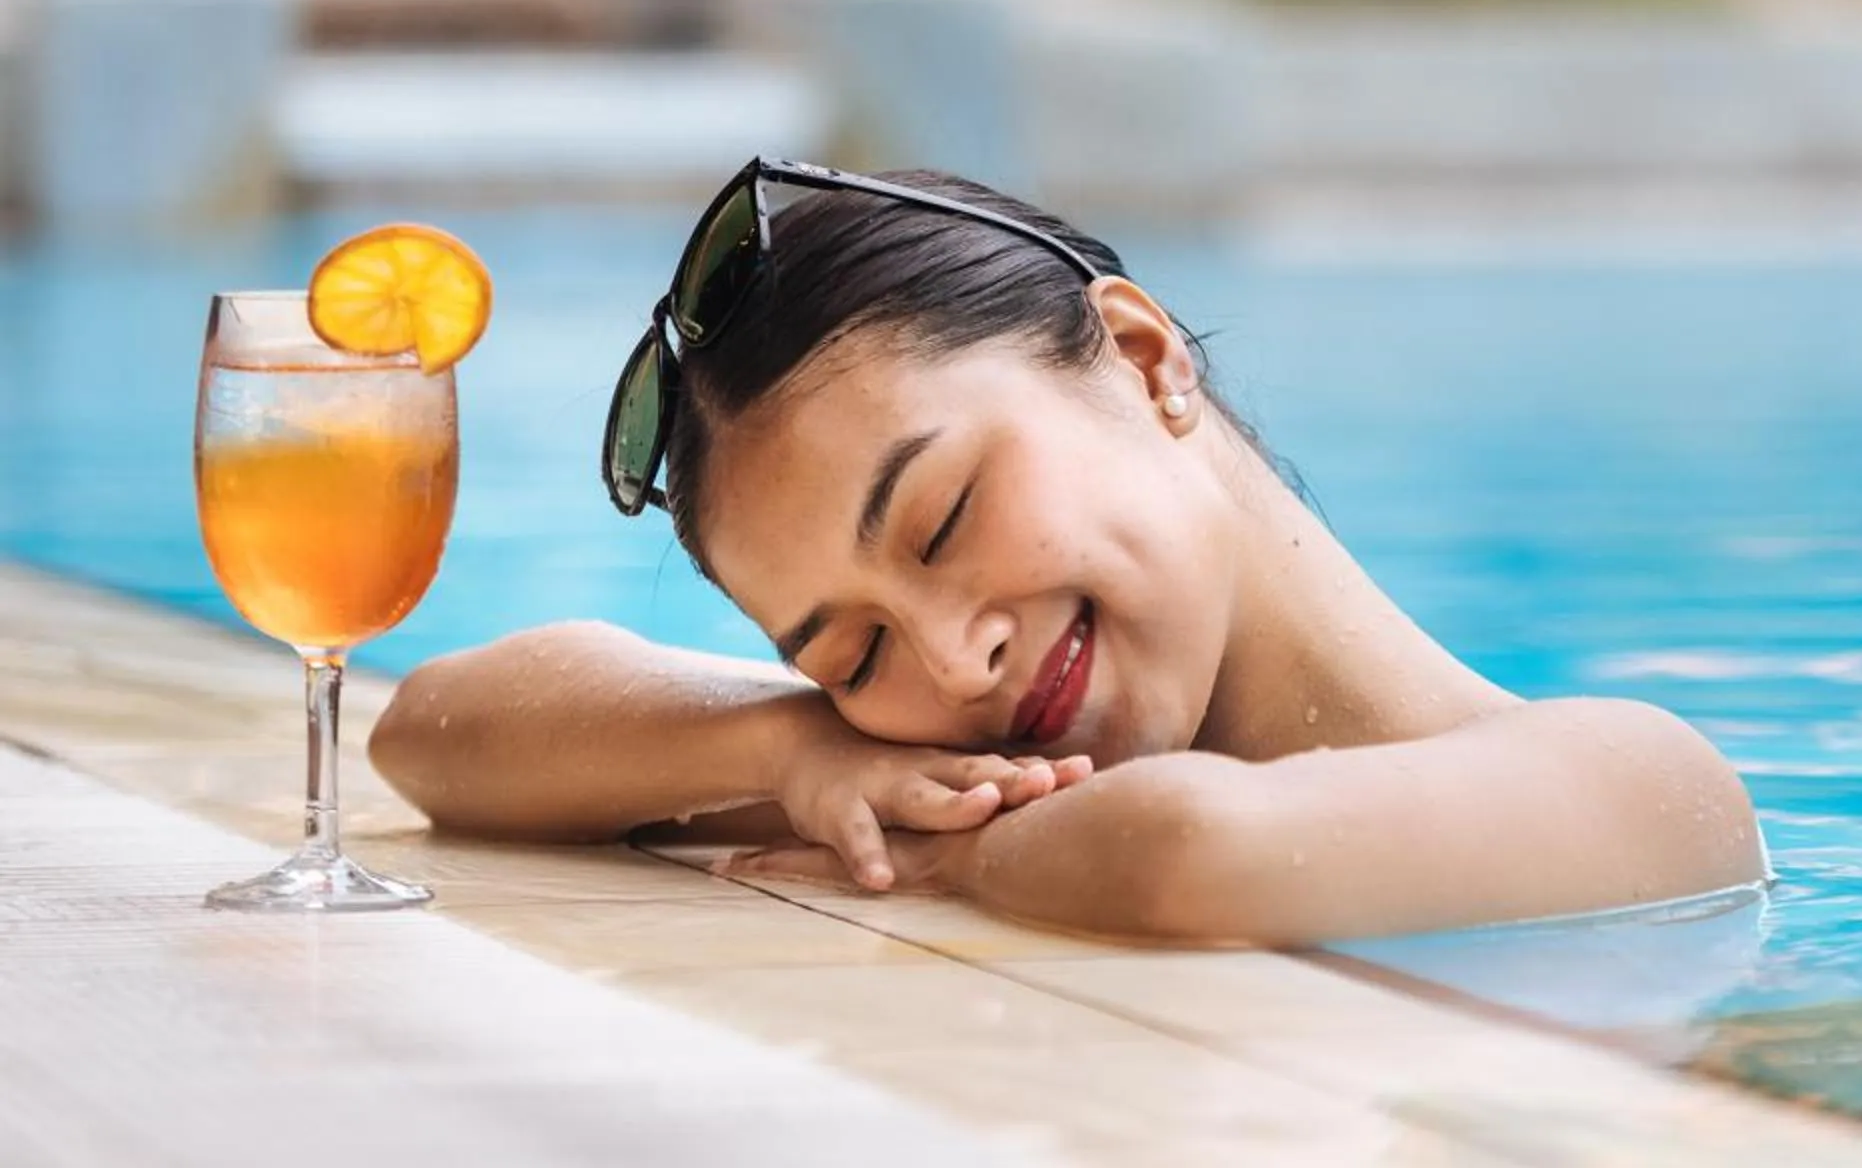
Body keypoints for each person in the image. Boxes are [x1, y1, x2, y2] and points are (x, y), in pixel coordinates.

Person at [370, 161, 1766, 945]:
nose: (952, 660)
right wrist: (793, 749)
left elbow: (1193, 855)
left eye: (943, 519)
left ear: (1146, 359)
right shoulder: (933, 766)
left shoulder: (1643, 786)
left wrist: (957, 856)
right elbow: (438, 731)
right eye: (850, 652)